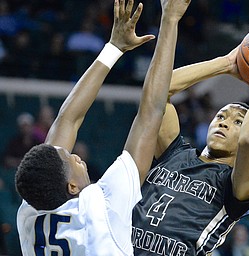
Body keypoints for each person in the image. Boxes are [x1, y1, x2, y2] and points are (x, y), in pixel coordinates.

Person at [15, 0, 191, 255]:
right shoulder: (101, 208)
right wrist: (170, 21)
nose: (75, 155)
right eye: (72, 159)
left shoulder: (31, 211)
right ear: (72, 187)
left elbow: (68, 120)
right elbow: (151, 112)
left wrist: (114, 48)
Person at [132, 44, 249, 255]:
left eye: (238, 122)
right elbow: (158, 89)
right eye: (221, 116)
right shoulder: (174, 153)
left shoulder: (234, 183)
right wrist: (225, 64)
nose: (224, 123)